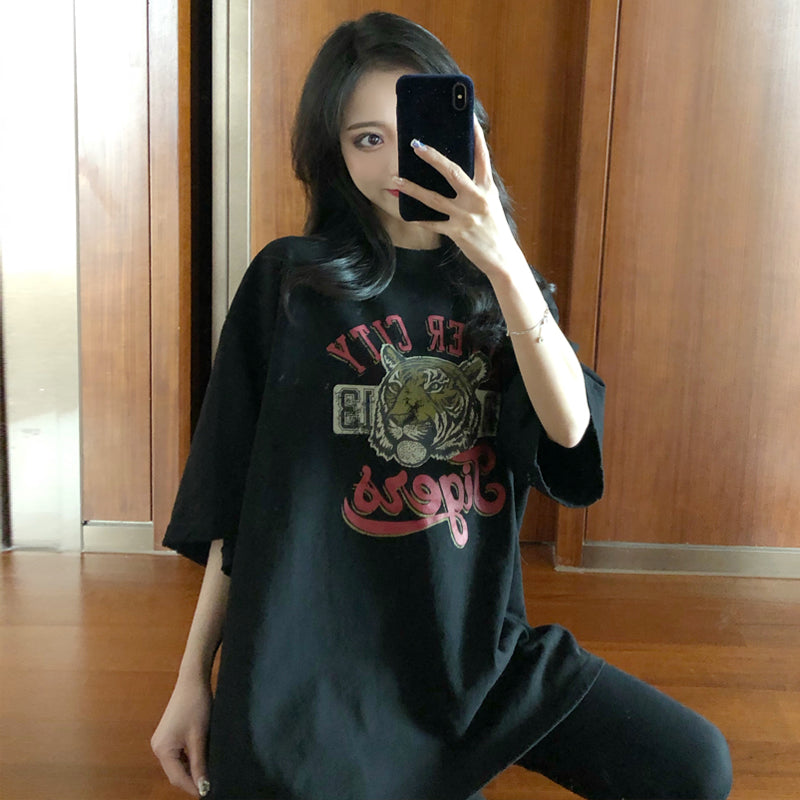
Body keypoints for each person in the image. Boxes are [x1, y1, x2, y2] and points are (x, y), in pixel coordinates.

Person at [151, 11, 732, 800]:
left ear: (466, 134)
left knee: (695, 766)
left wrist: (505, 265)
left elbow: (569, 429)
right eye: (367, 139)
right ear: (332, 153)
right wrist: (193, 678)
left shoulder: (505, 295)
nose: (398, 162)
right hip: (312, 677)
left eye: (416, 133)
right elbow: (236, 508)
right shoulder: (289, 285)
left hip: (475, 662)